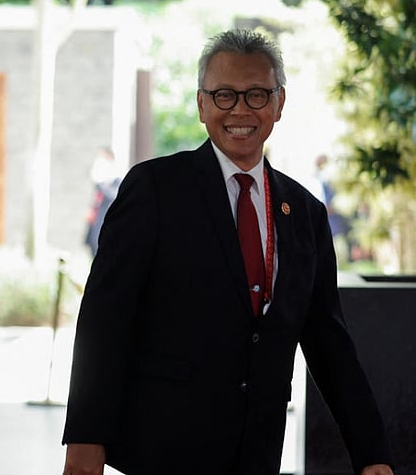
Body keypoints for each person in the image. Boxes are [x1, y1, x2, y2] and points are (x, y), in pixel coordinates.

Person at [62, 29, 394, 475]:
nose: (240, 109)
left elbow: (330, 344)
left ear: (279, 103)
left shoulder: (305, 215)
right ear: (202, 105)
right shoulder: (154, 190)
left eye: (257, 95)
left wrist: (372, 454)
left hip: (256, 453)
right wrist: (85, 443)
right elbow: (104, 324)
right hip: (162, 452)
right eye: (224, 95)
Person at [84, 148, 121, 256]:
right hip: (95, 223)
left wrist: (100, 184)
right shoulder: (101, 184)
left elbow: (112, 196)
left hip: (106, 225)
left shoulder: (116, 182)